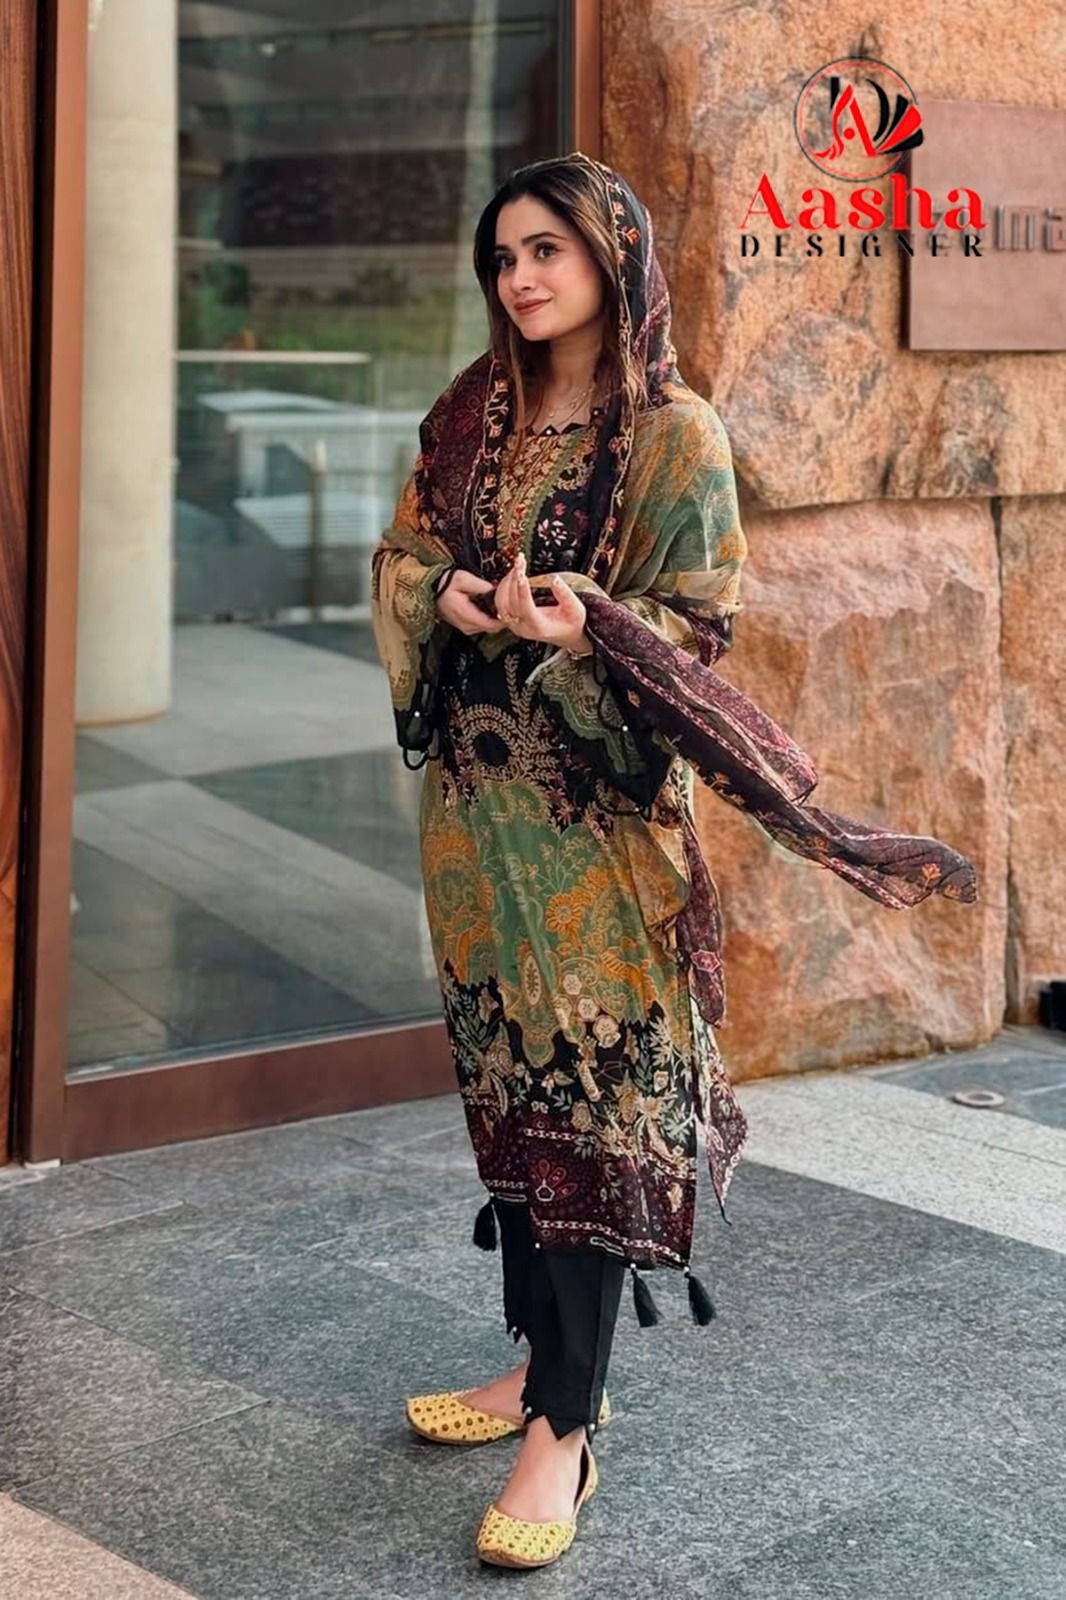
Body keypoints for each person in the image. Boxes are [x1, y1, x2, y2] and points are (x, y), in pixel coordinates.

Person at [370, 152, 978, 1570]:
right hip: (475, 822)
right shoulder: (470, 411)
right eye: (504, 255)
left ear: (612, 255)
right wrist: (445, 593)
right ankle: (534, 1362)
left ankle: (564, 1432)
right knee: (512, 1080)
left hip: (599, 826)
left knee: (596, 1095)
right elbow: (404, 556)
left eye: (548, 249)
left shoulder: (670, 435)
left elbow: (699, 628)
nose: (521, 277)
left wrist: (585, 623)